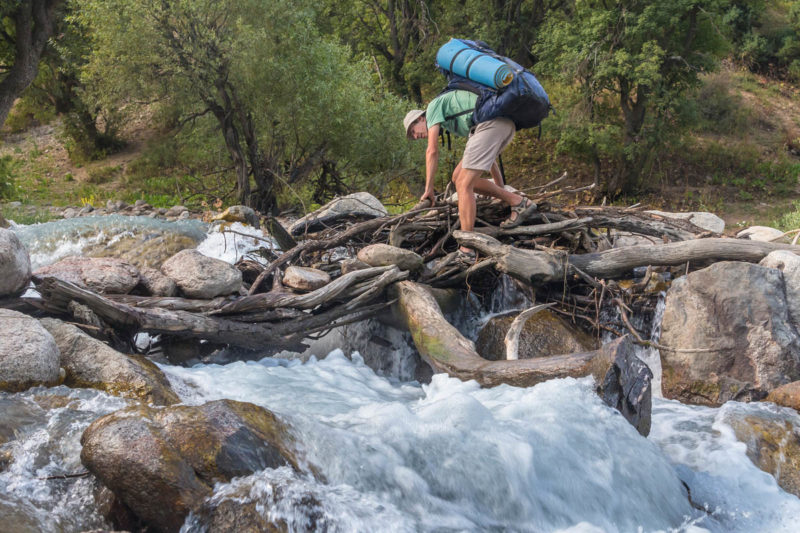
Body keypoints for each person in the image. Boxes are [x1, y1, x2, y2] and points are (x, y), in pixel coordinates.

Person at [404, 90, 536, 263]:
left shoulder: (432, 108)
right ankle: (515, 201)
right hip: (504, 125)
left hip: (491, 125)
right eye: (413, 136)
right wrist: (500, 189)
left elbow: (432, 151)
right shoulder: (459, 119)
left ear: (421, 119)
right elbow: (489, 160)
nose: (416, 136)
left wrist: (428, 188)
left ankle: (467, 248)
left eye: (414, 131)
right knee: (457, 176)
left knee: (463, 184)